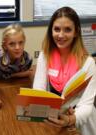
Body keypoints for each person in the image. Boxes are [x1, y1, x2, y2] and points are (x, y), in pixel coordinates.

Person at [33, 7, 96, 135]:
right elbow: (39, 90)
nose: (61, 35)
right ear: (51, 31)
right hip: (53, 119)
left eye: (67, 29)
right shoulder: (45, 56)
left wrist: (70, 119)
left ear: (76, 32)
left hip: (80, 122)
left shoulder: (88, 63)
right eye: (57, 29)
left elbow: (87, 104)